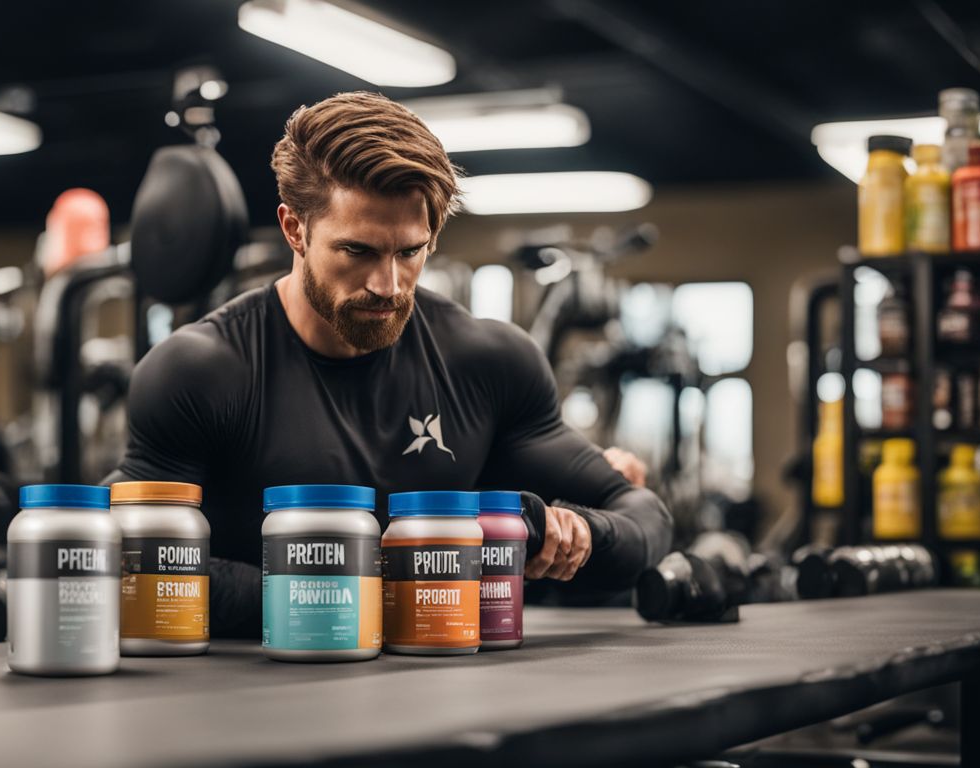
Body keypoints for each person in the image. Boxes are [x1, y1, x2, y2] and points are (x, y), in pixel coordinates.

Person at [104, 91, 671, 634]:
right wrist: (378, 594)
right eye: (358, 251)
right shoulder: (200, 371)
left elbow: (645, 517)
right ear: (294, 228)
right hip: (251, 704)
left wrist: (579, 534)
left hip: (436, 702)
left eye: (410, 251)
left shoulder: (487, 361)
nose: (389, 285)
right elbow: (137, 566)